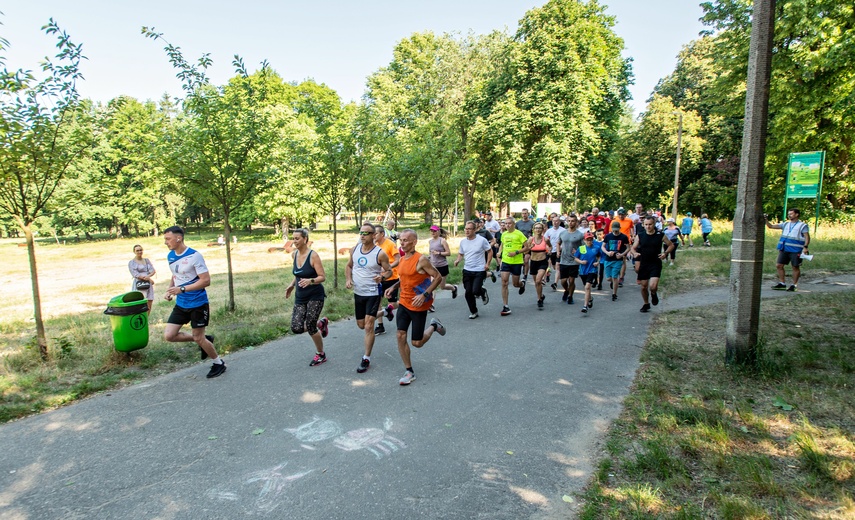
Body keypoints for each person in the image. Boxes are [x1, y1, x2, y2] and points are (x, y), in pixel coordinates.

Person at [162, 226, 224, 378]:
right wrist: (170, 290)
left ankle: (219, 363)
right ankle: (205, 340)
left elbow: (206, 281)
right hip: (181, 304)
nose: (165, 242)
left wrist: (181, 289)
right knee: (169, 336)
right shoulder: (170, 255)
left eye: (168, 239)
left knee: (198, 337)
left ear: (179, 238)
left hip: (198, 303)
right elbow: (175, 275)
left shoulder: (195, 256)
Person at [386, 229, 446, 385]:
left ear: (414, 242)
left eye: (406, 240)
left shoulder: (421, 260)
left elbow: (438, 277)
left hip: (419, 304)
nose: (402, 242)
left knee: (417, 343)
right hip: (404, 302)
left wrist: (425, 294)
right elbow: (406, 277)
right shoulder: (403, 259)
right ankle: (409, 370)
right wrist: (394, 287)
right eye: (401, 240)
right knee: (400, 335)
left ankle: (433, 325)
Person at [346, 223, 394, 374]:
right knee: (361, 325)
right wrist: (348, 279)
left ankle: (366, 358)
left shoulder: (380, 253)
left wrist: (381, 276)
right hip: (358, 293)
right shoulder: (354, 250)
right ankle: (386, 312)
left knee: (368, 326)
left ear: (374, 236)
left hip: (373, 293)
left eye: (366, 233)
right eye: (361, 232)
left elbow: (389, 271)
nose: (362, 235)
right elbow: (349, 266)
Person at [284, 228, 329, 367]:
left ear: (305, 239)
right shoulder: (294, 255)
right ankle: (320, 323)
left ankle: (321, 354)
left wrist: (311, 281)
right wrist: (292, 285)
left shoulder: (313, 256)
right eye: (293, 238)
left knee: (310, 325)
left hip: (315, 295)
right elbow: (297, 274)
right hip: (300, 296)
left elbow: (322, 277)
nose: (294, 241)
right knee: (296, 327)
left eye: (297, 238)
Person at [629, 216, 675, 312]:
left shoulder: (660, 235)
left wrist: (665, 253)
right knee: (644, 286)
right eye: (646, 224)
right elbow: (633, 248)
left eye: (650, 224)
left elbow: (671, 245)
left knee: (652, 286)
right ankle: (646, 304)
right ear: (643, 225)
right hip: (644, 263)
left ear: (654, 224)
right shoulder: (640, 235)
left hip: (655, 263)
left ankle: (653, 294)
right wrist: (635, 253)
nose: (648, 226)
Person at [454, 220, 493, 319]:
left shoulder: (481, 240)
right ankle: (474, 311)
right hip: (467, 270)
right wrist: (458, 260)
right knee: (468, 293)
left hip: (479, 269)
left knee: (475, 291)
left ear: (474, 230)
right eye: (465, 229)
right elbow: (461, 253)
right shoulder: (463, 242)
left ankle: (482, 291)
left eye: (469, 229)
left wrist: (487, 264)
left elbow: (489, 251)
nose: (467, 231)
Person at [766, 208, 810, 291]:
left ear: (797, 214)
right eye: (789, 214)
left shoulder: (802, 225)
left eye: (791, 214)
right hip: (784, 248)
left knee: (795, 267)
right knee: (779, 265)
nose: (789, 215)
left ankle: (794, 285)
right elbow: (770, 226)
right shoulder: (786, 224)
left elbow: (807, 237)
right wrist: (765, 220)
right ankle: (782, 283)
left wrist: (805, 247)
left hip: (796, 249)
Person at [497, 217, 529, 316]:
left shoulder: (519, 234)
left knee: (515, 284)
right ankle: (505, 306)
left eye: (509, 223)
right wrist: (499, 252)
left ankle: (522, 284)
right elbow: (502, 244)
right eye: (506, 223)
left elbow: (527, 248)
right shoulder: (504, 234)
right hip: (506, 261)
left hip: (517, 262)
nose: (507, 225)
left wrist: (516, 252)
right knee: (504, 282)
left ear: (514, 224)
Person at [373, 225, 400, 335]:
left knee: (392, 303)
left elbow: (398, 260)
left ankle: (403, 304)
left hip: (391, 277)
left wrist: (388, 268)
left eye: (376, 234)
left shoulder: (390, 244)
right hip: (379, 278)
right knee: (377, 302)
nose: (374, 236)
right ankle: (380, 326)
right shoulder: (375, 246)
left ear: (382, 234)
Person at [427, 225, 458, 309]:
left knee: (442, 286)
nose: (433, 233)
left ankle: (454, 288)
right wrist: (428, 258)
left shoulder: (442, 241)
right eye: (431, 231)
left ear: (438, 232)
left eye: (434, 231)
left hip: (442, 266)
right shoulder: (430, 242)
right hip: (433, 266)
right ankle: (431, 304)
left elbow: (448, 253)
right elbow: (431, 253)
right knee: (432, 286)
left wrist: (439, 253)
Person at [557, 214, 584, 305]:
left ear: (576, 222)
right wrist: (558, 252)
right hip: (564, 259)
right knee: (563, 281)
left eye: (573, 221)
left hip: (574, 260)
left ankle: (570, 296)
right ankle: (566, 290)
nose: (570, 223)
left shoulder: (580, 234)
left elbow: (583, 248)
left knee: (571, 280)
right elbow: (558, 243)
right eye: (569, 221)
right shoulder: (563, 233)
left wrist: (579, 252)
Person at [601, 220, 630, 301]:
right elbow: (603, 247)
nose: (615, 231)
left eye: (617, 230)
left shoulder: (623, 237)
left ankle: (614, 294)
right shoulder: (608, 236)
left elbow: (628, 248)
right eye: (614, 230)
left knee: (615, 277)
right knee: (608, 278)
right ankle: (612, 283)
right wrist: (607, 252)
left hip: (618, 259)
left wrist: (622, 254)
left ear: (620, 228)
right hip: (608, 259)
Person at [525, 222, 551, 309]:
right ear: (533, 229)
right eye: (536, 228)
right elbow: (525, 251)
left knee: (538, 280)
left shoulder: (545, 239)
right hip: (533, 262)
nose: (538, 229)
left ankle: (539, 299)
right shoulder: (530, 239)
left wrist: (549, 251)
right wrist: (529, 247)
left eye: (540, 228)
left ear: (543, 229)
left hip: (542, 261)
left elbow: (550, 247)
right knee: (536, 283)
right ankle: (541, 295)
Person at [574, 232, 601, 313]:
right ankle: (590, 299)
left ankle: (585, 306)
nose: (589, 241)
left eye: (590, 239)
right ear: (584, 240)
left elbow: (599, 256)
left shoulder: (596, 248)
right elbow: (575, 258)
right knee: (586, 287)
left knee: (587, 287)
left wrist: (597, 262)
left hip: (592, 269)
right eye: (587, 240)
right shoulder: (581, 248)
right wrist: (581, 262)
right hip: (583, 270)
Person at [128, 244, 156, 312]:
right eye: (137, 250)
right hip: (139, 284)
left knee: (149, 301)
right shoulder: (131, 262)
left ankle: (147, 319)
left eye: (140, 250)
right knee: (140, 302)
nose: (139, 252)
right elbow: (135, 274)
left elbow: (152, 271)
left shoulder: (146, 260)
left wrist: (148, 277)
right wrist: (148, 279)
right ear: (134, 252)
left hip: (148, 284)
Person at [544, 216, 563, 291]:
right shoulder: (549, 231)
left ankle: (555, 283)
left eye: (557, 221)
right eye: (553, 221)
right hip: (551, 251)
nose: (555, 223)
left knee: (557, 267)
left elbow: (564, 241)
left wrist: (561, 247)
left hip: (559, 250)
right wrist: (547, 248)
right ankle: (555, 275)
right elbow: (545, 240)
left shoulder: (563, 230)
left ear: (559, 222)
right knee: (554, 267)